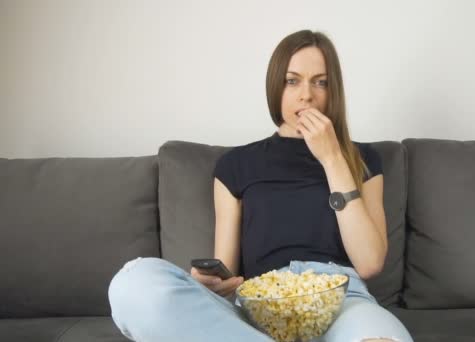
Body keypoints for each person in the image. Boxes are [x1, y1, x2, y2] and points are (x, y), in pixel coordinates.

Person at [108, 29, 413, 342]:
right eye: (292, 80)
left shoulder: (364, 160)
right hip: (259, 306)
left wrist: (333, 158)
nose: (306, 94)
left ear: (333, 90)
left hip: (342, 301)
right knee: (133, 283)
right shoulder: (235, 165)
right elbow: (226, 271)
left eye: (320, 82)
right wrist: (212, 284)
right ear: (275, 87)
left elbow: (370, 263)